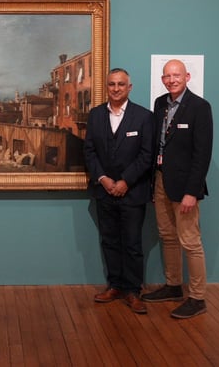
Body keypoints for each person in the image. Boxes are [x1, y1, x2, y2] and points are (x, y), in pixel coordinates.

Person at [141, 59, 213, 319]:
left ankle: (197, 298)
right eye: (167, 76)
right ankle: (173, 286)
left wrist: (192, 192)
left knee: (190, 242)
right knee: (167, 236)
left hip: (185, 187)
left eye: (177, 75)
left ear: (187, 77)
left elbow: (202, 153)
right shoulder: (160, 104)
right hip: (160, 180)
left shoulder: (200, 108)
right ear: (162, 79)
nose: (172, 80)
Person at [84, 68, 155, 314]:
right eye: (112, 84)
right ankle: (115, 286)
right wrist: (103, 178)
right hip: (104, 192)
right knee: (110, 241)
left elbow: (147, 155)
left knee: (133, 244)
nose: (116, 88)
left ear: (129, 87)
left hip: (133, 193)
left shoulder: (144, 117)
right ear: (106, 87)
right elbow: (89, 152)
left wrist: (125, 181)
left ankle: (133, 291)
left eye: (121, 84)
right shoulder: (94, 116)